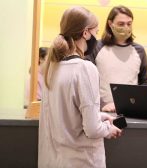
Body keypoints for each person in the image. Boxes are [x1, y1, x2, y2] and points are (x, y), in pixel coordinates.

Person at [38, 6, 122, 168]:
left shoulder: (51, 67)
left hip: (53, 160)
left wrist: (99, 115)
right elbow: (92, 130)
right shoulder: (85, 68)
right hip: (81, 161)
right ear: (85, 33)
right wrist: (108, 129)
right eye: (96, 33)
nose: (96, 39)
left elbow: (67, 114)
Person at [86, 5, 147, 112]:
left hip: (131, 112)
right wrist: (102, 105)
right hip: (101, 112)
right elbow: (87, 81)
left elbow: (145, 83)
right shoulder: (95, 47)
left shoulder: (139, 51)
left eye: (129, 24)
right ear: (110, 24)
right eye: (121, 24)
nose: (126, 27)